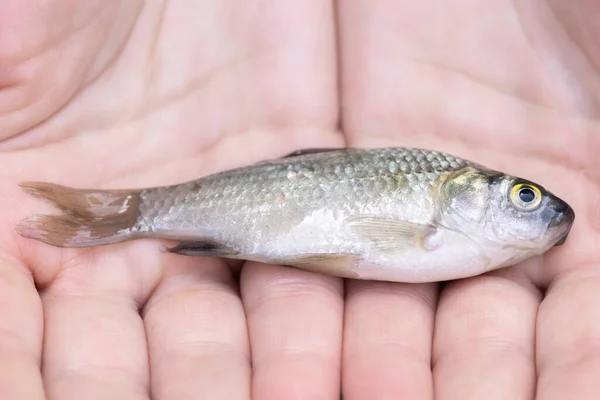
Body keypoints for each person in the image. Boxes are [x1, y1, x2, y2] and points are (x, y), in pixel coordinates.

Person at [0, 1, 596, 398]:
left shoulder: (460, 239)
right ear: (462, 193)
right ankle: (127, 215)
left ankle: (121, 216)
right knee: (143, 216)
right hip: (251, 206)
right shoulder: (441, 222)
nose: (540, 211)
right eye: (523, 197)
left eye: (529, 198)